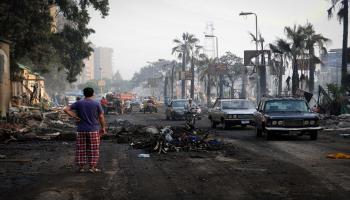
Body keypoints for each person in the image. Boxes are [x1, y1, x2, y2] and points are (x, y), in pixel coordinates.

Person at [63, 87, 106, 173]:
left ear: (83, 93)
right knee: (93, 149)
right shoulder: (96, 103)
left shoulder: (79, 103)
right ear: (93, 93)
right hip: (93, 130)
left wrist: (74, 117)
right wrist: (103, 127)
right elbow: (101, 116)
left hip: (81, 129)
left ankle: (81, 167)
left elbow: (65, 109)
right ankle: (92, 167)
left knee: (81, 148)